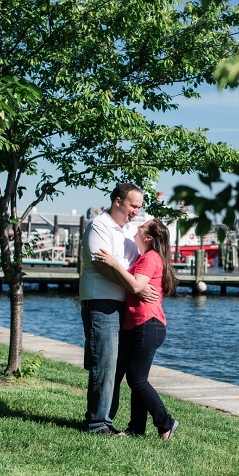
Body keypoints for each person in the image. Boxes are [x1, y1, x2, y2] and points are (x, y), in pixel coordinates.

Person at [80, 183, 159, 435]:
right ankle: (97, 423)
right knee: (104, 363)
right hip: (101, 303)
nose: (136, 211)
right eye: (133, 205)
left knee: (116, 367)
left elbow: (141, 264)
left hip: (124, 306)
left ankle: (105, 420)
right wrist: (135, 288)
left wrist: (141, 286)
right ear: (117, 201)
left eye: (139, 207)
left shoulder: (129, 232)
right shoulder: (99, 226)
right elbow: (102, 266)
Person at [94, 218, 180, 440]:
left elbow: (135, 285)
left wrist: (114, 263)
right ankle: (136, 429)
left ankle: (166, 422)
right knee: (135, 378)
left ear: (148, 237)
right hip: (138, 324)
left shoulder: (150, 258)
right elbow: (134, 284)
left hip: (146, 323)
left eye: (142, 226)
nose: (137, 227)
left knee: (137, 379)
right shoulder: (147, 257)